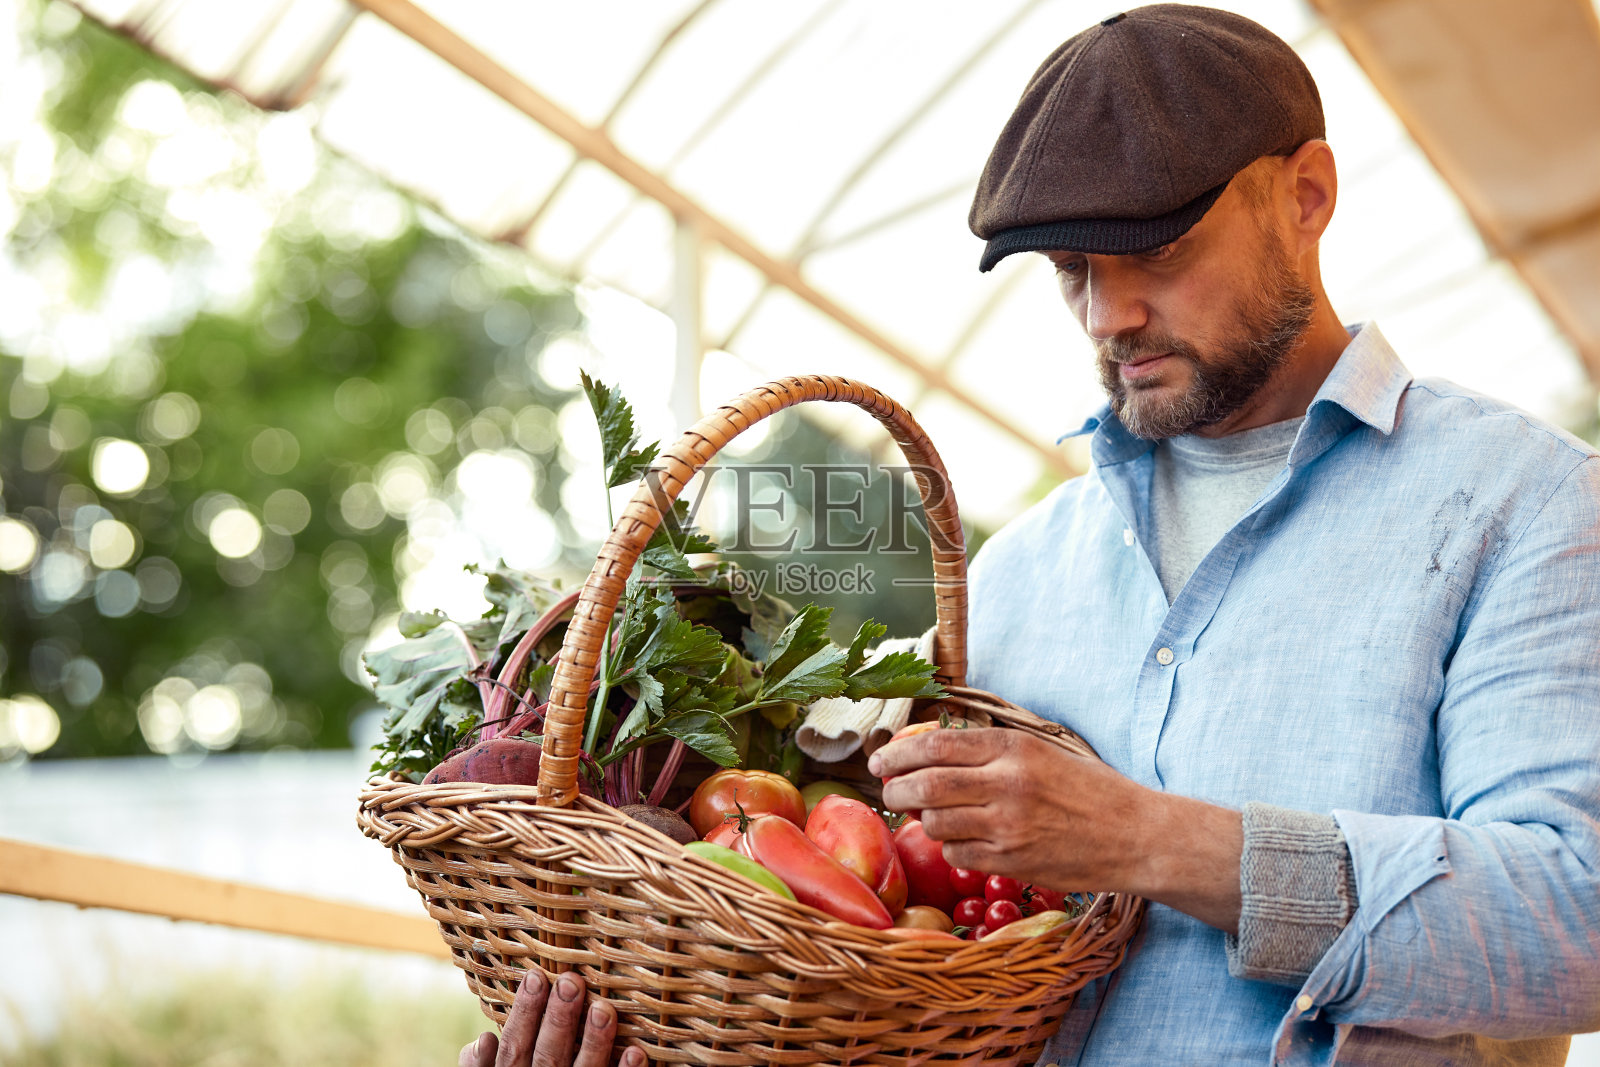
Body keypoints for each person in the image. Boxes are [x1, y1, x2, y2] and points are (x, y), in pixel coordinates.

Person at [463, 5, 1600, 1065]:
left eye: (1158, 250)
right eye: (1070, 271)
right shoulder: (1014, 574)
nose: (1109, 315)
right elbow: (911, 975)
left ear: (1306, 195)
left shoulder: (1524, 505)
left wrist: (1148, 840)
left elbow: (1579, 918)